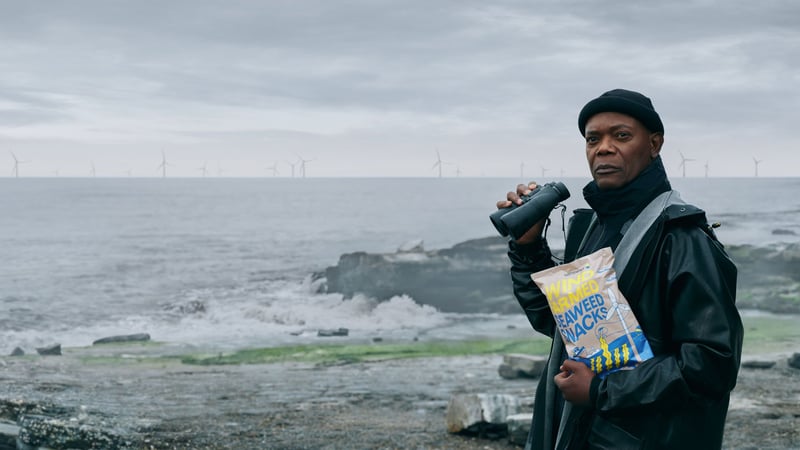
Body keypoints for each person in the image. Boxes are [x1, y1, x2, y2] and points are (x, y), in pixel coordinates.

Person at [497, 89, 743, 449]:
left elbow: (712, 365)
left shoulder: (682, 239)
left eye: (621, 136)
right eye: (592, 139)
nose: (603, 148)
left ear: (654, 144)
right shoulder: (590, 228)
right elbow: (563, 326)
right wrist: (527, 246)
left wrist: (600, 389)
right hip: (581, 432)